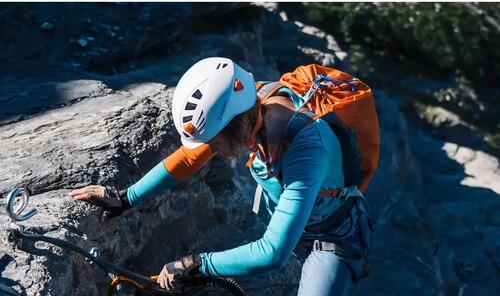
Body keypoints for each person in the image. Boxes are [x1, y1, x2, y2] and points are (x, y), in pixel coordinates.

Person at [70, 57, 376, 296]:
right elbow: (189, 157)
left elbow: (272, 253)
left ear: (237, 130)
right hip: (290, 215)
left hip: (332, 236)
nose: (209, 149)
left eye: (213, 142)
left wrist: (197, 264)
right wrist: (125, 198)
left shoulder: (307, 150)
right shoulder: (250, 105)